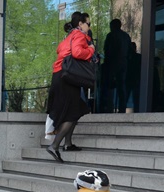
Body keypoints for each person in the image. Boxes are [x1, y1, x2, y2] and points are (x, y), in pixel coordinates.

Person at [45, 12, 95, 163]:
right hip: (67, 78)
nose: (89, 26)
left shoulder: (69, 36)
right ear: (80, 24)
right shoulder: (79, 35)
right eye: (88, 23)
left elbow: (60, 50)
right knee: (73, 113)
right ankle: (54, 145)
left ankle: (68, 143)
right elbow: (78, 52)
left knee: (78, 109)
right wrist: (91, 49)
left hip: (60, 76)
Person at [103, 19, 131, 113]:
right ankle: (122, 108)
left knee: (110, 86)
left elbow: (107, 51)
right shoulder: (126, 36)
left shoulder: (111, 36)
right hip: (123, 63)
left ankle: (108, 107)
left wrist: (107, 64)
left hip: (113, 63)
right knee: (121, 87)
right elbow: (130, 51)